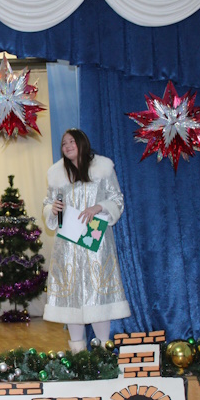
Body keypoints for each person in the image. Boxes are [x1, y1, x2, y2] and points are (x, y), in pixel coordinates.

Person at [42, 128, 130, 353]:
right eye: (64, 143)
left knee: (98, 294)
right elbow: (48, 204)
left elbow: (117, 199)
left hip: (95, 241)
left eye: (72, 142)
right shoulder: (57, 174)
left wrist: (98, 207)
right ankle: (78, 353)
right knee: (72, 297)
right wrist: (53, 209)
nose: (67, 146)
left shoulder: (103, 168)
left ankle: (103, 352)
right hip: (68, 244)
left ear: (82, 143)